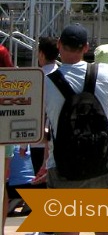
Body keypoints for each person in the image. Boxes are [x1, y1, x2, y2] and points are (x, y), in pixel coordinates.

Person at [43, 24, 108, 235]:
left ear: (58, 46)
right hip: (103, 163)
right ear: (86, 47)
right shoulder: (106, 73)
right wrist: (107, 119)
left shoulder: (45, 80)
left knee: (68, 231)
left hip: (63, 165)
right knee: (104, 228)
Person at [32, 36, 60, 175]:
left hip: (38, 139)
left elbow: (32, 111)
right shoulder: (63, 74)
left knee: (40, 180)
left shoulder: (36, 78)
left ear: (41, 54)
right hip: (60, 138)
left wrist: (24, 144)